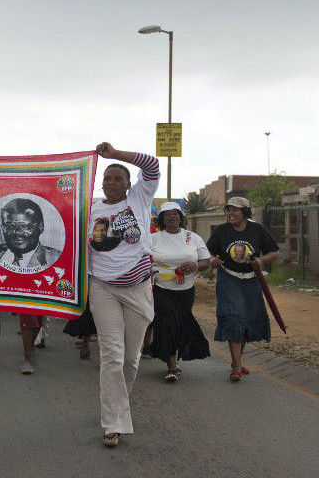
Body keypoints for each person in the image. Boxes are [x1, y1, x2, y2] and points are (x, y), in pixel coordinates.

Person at [87, 142, 159, 448]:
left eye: (118, 178)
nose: (111, 183)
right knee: (112, 357)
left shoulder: (140, 199)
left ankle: (117, 404)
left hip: (139, 288)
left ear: (129, 185)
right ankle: (113, 422)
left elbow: (153, 165)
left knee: (131, 359)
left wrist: (115, 154)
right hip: (103, 288)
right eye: (107, 179)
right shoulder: (90, 210)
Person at [206, 196, 279, 382]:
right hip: (229, 278)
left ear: (245, 212)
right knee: (234, 316)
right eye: (228, 209)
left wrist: (261, 261)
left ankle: (236, 359)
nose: (231, 213)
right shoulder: (221, 231)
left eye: (235, 210)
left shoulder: (258, 229)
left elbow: (274, 252)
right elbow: (207, 252)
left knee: (248, 319)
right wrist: (213, 261)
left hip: (252, 280)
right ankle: (237, 366)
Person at [146, 201, 211, 382]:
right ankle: (171, 365)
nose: (172, 216)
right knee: (167, 323)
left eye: (175, 213)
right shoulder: (154, 238)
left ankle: (173, 358)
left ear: (181, 217)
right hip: (162, 289)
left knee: (180, 324)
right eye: (167, 214)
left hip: (185, 291)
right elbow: (142, 259)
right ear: (162, 218)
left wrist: (195, 265)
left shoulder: (192, 237)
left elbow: (206, 261)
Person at [0, 198, 61, 273]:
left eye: (25, 226)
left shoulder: (55, 259)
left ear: (41, 227)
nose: (18, 233)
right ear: (3, 229)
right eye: (11, 226)